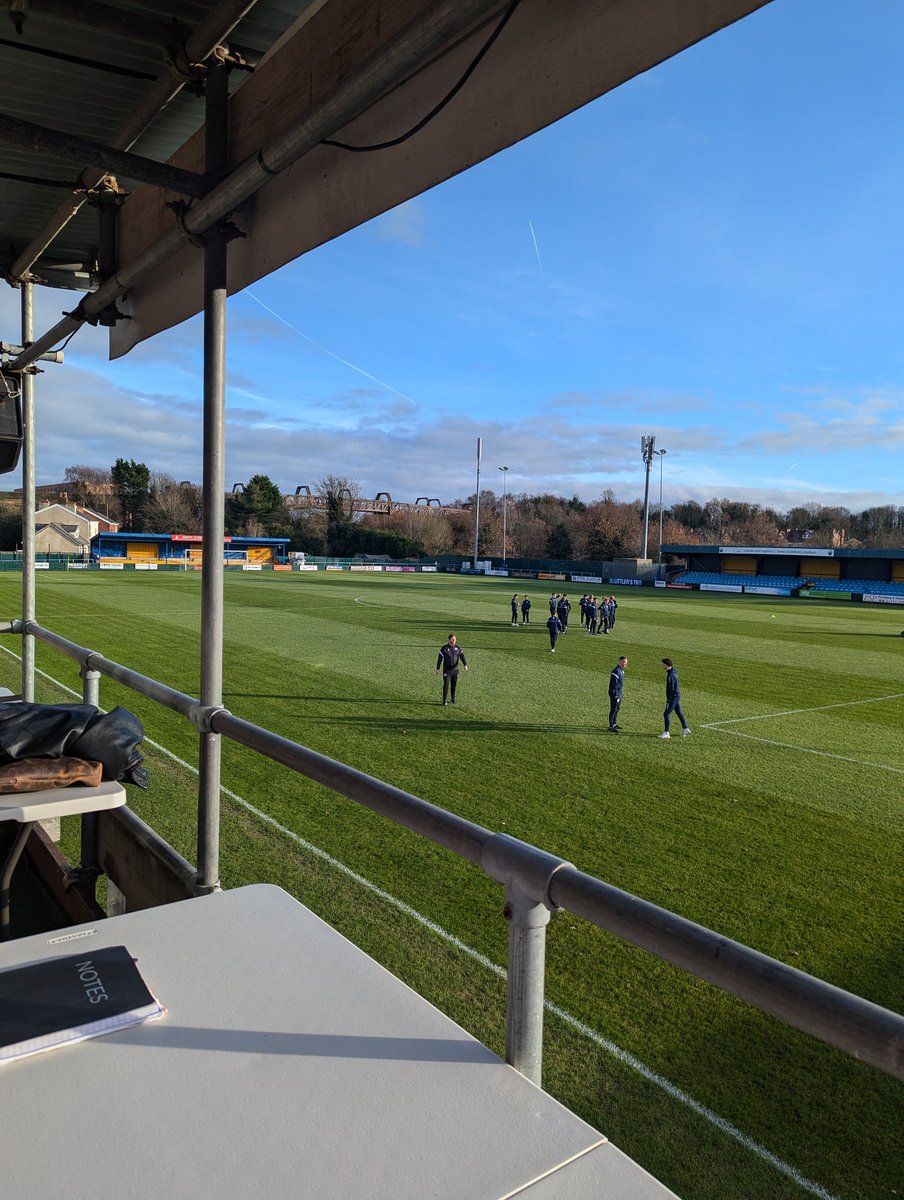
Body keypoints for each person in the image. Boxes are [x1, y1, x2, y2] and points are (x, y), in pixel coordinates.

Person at [658, 658, 690, 738]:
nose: (662, 665)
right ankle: (685, 728)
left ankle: (666, 732)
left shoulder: (670, 675)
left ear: (666, 664)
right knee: (679, 712)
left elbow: (671, 689)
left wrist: (669, 700)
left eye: (663, 664)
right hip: (677, 696)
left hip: (673, 697)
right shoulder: (673, 671)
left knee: (666, 714)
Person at [436, 633, 468, 705]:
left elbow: (462, 657)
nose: (453, 640)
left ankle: (453, 699)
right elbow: (439, 659)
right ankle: (444, 700)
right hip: (447, 671)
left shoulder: (458, 648)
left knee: (454, 685)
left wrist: (465, 665)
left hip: (455, 671)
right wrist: (437, 668)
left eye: (455, 639)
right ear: (449, 640)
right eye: (452, 639)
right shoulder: (444, 648)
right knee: (446, 685)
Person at [608, 655, 627, 731]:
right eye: (623, 662)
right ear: (619, 661)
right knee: (613, 709)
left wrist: (620, 694)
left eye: (626, 663)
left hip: (619, 693)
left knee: (617, 709)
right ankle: (611, 726)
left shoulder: (621, 670)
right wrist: (616, 695)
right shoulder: (616, 671)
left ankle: (614, 724)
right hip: (615, 694)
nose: (625, 664)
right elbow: (614, 684)